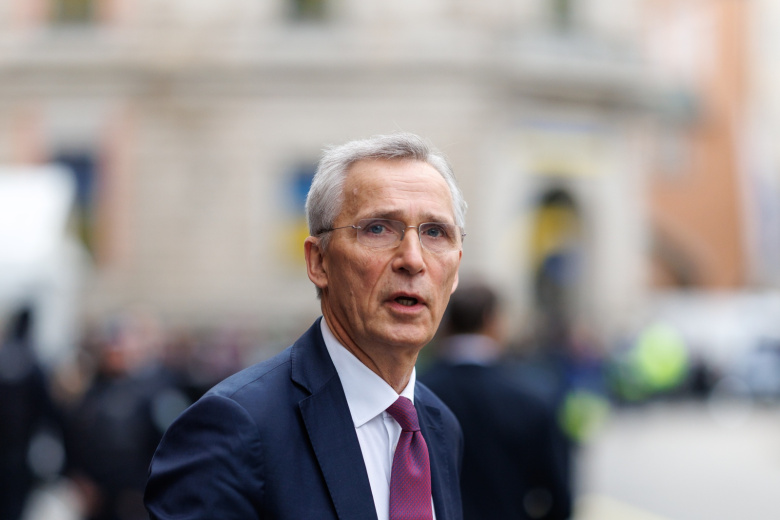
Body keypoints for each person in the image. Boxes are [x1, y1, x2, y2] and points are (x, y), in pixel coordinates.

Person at [145, 133, 466, 520]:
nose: (412, 260)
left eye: (434, 232)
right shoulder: (233, 428)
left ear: (456, 269)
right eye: (378, 229)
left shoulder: (439, 425)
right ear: (318, 262)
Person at [421, 282, 572, 520]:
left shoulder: (413, 397)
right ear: (491, 321)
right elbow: (559, 500)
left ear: (447, 323)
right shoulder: (533, 398)